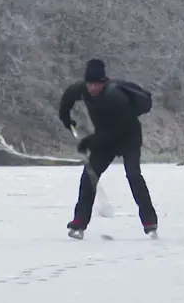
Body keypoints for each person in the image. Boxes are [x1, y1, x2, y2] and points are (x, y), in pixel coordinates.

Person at [58, 58, 158, 238]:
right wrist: (65, 117)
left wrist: (91, 141)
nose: (92, 88)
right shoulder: (81, 89)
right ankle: (79, 222)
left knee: (133, 175)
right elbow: (67, 99)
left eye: (96, 84)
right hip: (104, 139)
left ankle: (150, 222)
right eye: (89, 84)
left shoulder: (115, 96)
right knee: (89, 176)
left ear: (103, 82)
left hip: (128, 136)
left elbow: (118, 129)